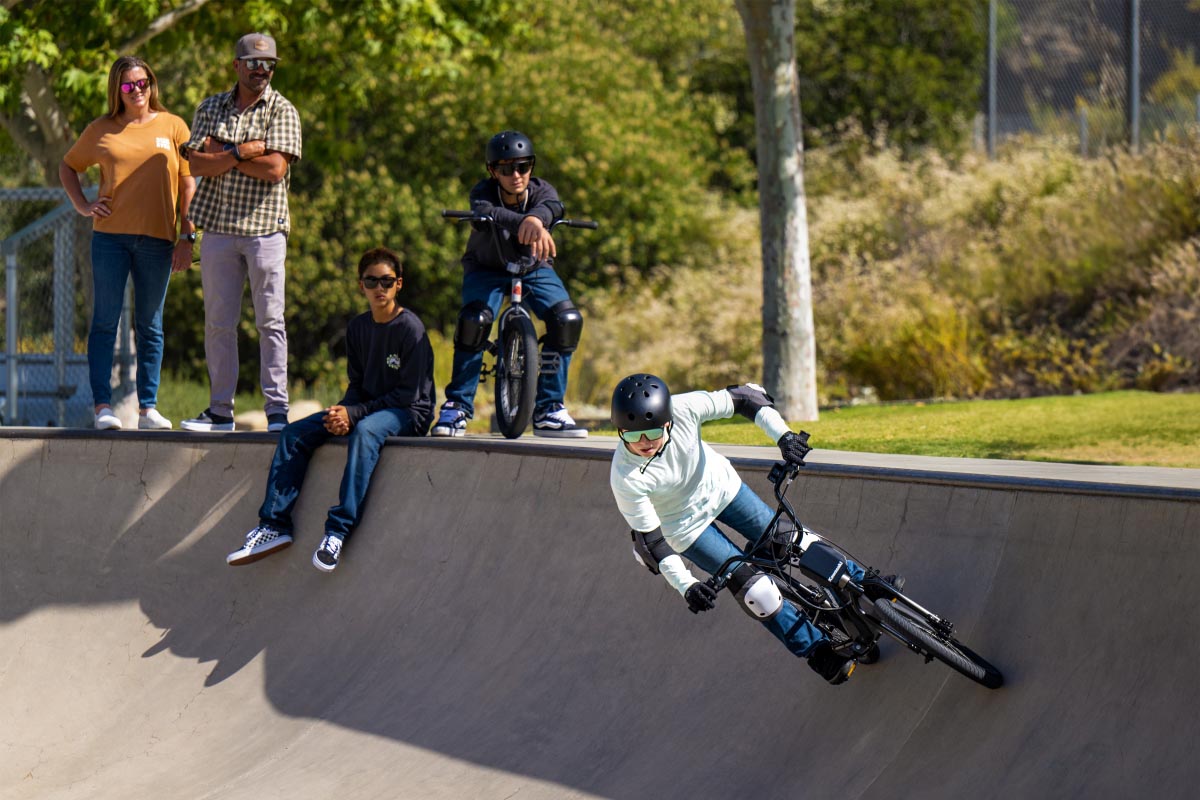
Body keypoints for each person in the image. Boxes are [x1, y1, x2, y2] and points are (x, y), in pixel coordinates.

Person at [608, 373, 903, 685]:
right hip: (684, 527)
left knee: (793, 540)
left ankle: (864, 582)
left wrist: (784, 437)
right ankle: (816, 650)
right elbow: (654, 544)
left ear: (668, 421)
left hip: (722, 490)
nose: (644, 443)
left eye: (653, 432)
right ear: (620, 431)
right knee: (756, 592)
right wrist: (687, 586)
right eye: (632, 435)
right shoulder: (625, 478)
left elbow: (746, 398)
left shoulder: (685, 407)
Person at [226, 247, 435, 572]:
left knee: (365, 431)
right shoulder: (358, 328)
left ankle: (337, 532)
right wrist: (342, 412)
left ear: (399, 284)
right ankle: (274, 525)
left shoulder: (410, 329)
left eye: (387, 281)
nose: (379, 288)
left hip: (409, 412)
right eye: (372, 281)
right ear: (361, 285)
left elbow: (409, 395)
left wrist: (355, 415)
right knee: (295, 433)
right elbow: (358, 385)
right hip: (368, 408)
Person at [59, 55, 196, 431]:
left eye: (142, 82)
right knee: (105, 321)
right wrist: (84, 205)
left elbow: (188, 184)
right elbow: (68, 166)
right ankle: (102, 407)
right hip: (110, 239)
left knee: (151, 326)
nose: (137, 90)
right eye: (127, 85)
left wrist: (188, 236)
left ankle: (147, 409)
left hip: (159, 240)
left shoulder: (174, 126)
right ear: (116, 91)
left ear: (151, 83)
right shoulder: (101, 129)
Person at [178, 32, 302, 433]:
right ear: (237, 65)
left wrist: (223, 153)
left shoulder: (283, 110)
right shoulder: (210, 106)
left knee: (271, 322)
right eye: (254, 63)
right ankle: (220, 411)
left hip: (266, 230)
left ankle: (277, 411)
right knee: (218, 324)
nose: (262, 70)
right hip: (218, 228)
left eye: (269, 65)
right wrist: (243, 151)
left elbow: (275, 169)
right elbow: (196, 164)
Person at [431, 130, 586, 438]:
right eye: (506, 169)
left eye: (523, 167)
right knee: (474, 321)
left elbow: (555, 206)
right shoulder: (483, 192)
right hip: (486, 269)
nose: (516, 175)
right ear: (493, 171)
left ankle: (549, 409)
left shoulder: (542, 190)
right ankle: (457, 406)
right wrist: (526, 223)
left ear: (531, 167)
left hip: (534, 268)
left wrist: (538, 218)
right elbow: (486, 211)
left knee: (567, 320)